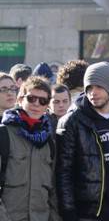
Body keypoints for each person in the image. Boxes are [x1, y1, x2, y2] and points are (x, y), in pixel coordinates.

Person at [56, 61, 109, 220]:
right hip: (87, 214)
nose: (93, 93)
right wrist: (69, 213)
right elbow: (63, 173)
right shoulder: (72, 122)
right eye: (89, 87)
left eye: (98, 87)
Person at [0, 76, 59, 221]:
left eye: (43, 101)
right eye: (31, 98)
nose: (36, 104)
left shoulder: (49, 141)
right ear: (20, 99)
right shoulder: (4, 133)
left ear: (47, 106)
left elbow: (53, 190)